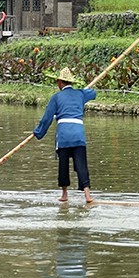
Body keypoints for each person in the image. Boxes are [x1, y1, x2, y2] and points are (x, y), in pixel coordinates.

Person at [33, 67, 96, 203]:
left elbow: (47, 118)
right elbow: (93, 93)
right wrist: (83, 91)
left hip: (64, 135)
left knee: (63, 164)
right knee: (81, 164)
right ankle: (88, 195)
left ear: (60, 82)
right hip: (78, 134)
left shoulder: (56, 97)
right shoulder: (80, 94)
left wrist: (38, 132)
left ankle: (64, 194)